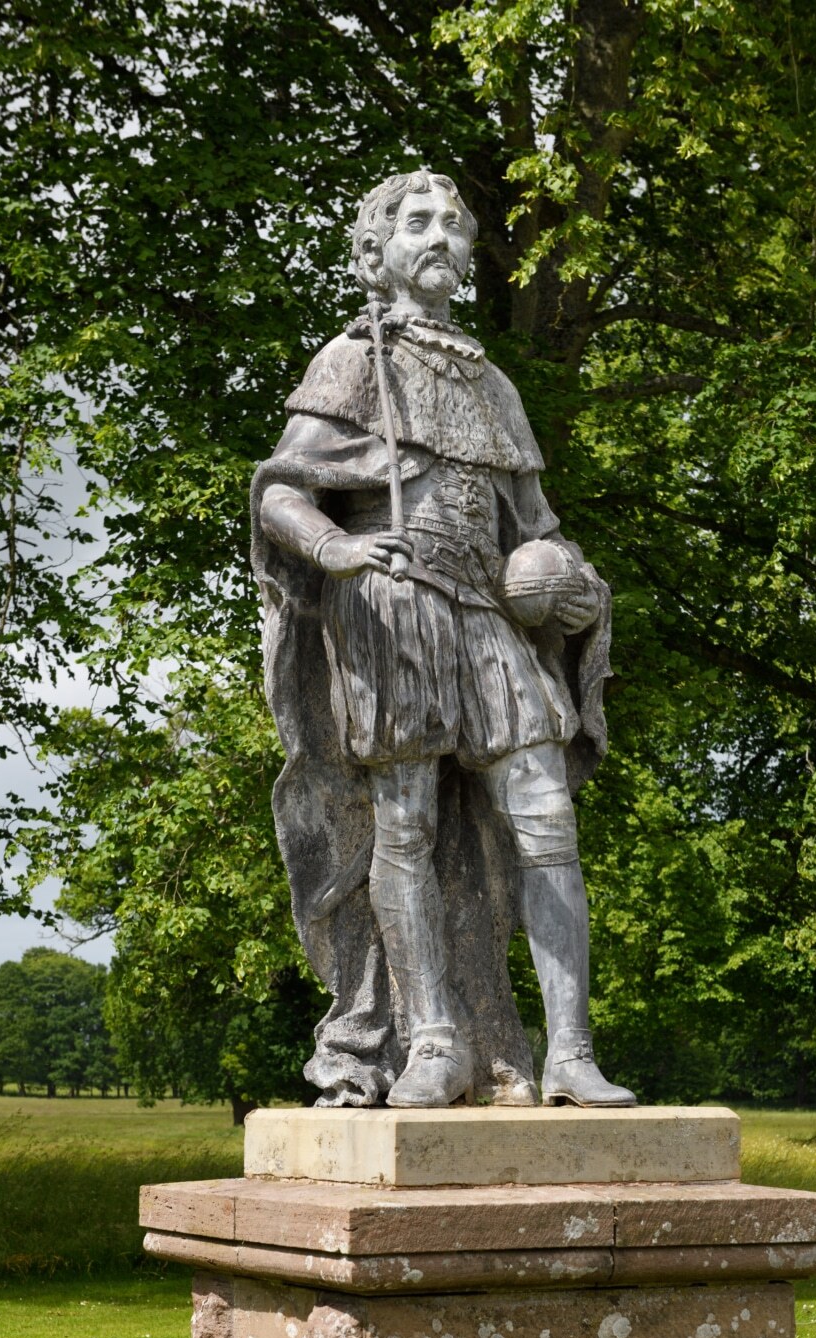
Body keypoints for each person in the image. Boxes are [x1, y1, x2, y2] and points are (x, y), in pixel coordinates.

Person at [253, 168, 635, 1110]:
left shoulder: (493, 382)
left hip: (488, 612)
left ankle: (570, 1053)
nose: (438, 238)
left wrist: (571, 585)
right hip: (392, 607)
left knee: (546, 813)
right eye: (416, 222)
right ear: (374, 252)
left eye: (453, 226)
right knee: (407, 823)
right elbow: (281, 492)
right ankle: (432, 1041)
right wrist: (337, 548)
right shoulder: (352, 360)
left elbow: (534, 526)